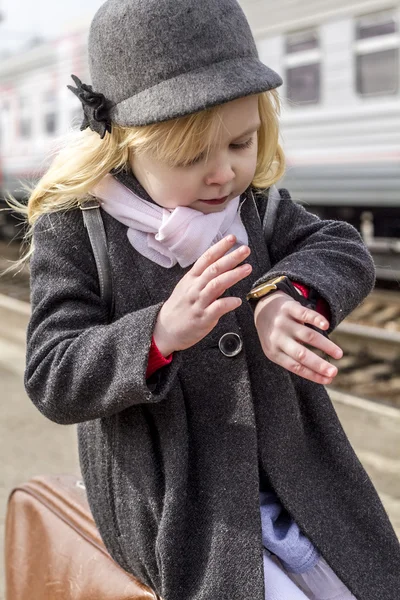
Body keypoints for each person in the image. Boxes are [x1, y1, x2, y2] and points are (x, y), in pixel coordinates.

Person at [18, 0, 400, 599]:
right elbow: (51, 374)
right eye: (191, 156)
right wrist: (159, 333)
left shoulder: (256, 206)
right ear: (124, 145)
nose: (222, 174)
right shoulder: (80, 229)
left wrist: (285, 294)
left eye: (241, 144)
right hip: (178, 504)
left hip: (299, 476)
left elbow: (341, 247)